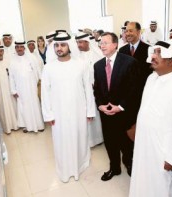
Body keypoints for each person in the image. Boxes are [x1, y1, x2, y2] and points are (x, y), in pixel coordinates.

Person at [129, 40, 172, 197]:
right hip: (145, 144)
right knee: (144, 179)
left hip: (165, 150)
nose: (153, 56)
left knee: (165, 187)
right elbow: (144, 109)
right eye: (154, 52)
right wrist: (137, 127)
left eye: (159, 53)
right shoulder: (151, 78)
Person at [41, 32, 95, 182]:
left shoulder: (81, 64)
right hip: (58, 113)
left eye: (63, 44)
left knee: (79, 137)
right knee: (61, 140)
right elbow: (45, 93)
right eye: (57, 45)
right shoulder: (48, 68)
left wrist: (90, 110)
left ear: (69, 46)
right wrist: (48, 114)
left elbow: (87, 89)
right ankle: (65, 169)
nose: (59, 48)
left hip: (79, 110)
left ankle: (80, 165)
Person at [94, 32, 138, 181]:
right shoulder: (98, 65)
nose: (102, 45)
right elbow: (97, 90)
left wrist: (120, 107)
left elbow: (134, 90)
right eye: (101, 43)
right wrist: (100, 105)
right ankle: (115, 168)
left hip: (123, 114)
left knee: (126, 143)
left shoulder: (129, 62)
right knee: (110, 143)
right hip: (106, 114)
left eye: (105, 42)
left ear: (115, 44)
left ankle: (130, 165)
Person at [119, 21, 152, 140]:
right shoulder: (122, 50)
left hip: (142, 96)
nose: (127, 33)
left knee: (140, 127)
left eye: (131, 30)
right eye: (126, 31)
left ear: (138, 32)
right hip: (126, 97)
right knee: (126, 126)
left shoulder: (148, 49)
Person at [75, 32, 103, 147]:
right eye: (77, 42)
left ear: (87, 42)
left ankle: (98, 138)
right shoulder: (76, 58)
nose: (78, 45)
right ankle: (87, 140)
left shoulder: (97, 55)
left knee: (95, 114)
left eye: (80, 42)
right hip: (82, 92)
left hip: (96, 91)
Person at [9, 41, 44, 133]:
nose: (19, 49)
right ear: (15, 49)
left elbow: (38, 71)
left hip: (32, 87)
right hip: (20, 89)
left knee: (35, 104)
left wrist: (40, 83)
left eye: (21, 47)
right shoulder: (12, 61)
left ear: (24, 48)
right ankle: (27, 126)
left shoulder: (32, 58)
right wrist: (13, 90)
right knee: (23, 107)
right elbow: (11, 77)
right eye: (17, 47)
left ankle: (39, 125)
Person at [0, 45, 18, 134]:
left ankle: (16, 125)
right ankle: (7, 128)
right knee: (3, 110)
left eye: (1, 51)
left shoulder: (9, 61)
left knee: (13, 107)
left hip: (10, 89)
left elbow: (14, 76)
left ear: (3, 52)